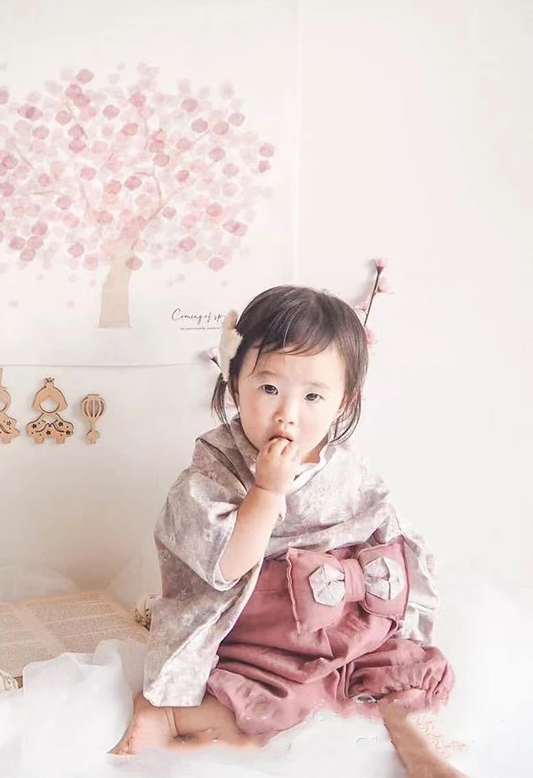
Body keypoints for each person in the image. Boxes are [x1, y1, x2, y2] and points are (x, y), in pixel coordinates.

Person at [110, 285, 467, 778]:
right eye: (269, 388)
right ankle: (172, 718)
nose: (288, 413)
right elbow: (227, 564)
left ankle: (417, 749)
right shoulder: (213, 472)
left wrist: (394, 605)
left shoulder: (348, 469)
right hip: (268, 637)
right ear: (235, 384)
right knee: (280, 709)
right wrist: (267, 492)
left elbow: (388, 537)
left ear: (345, 402)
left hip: (348, 629)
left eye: (314, 395)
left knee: (404, 672)